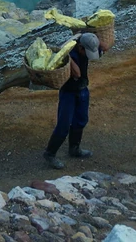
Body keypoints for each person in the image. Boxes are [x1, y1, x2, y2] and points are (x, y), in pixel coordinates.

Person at [42, 32, 103, 169]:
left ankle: (74, 149)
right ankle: (50, 154)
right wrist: (67, 54)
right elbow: (77, 73)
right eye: (85, 51)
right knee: (63, 125)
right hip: (68, 93)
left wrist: (93, 36)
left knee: (81, 120)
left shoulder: (88, 47)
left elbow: (105, 46)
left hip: (82, 89)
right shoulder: (70, 55)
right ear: (80, 47)